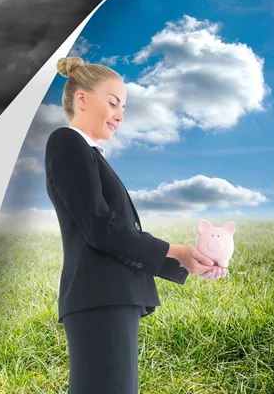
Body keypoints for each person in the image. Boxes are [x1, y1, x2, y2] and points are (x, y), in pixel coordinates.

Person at [44, 57, 227, 394]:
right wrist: (177, 251)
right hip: (100, 298)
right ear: (81, 99)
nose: (120, 115)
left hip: (109, 299)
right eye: (112, 103)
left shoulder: (91, 154)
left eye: (124, 107)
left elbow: (117, 231)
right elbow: (101, 228)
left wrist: (182, 258)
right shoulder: (67, 143)